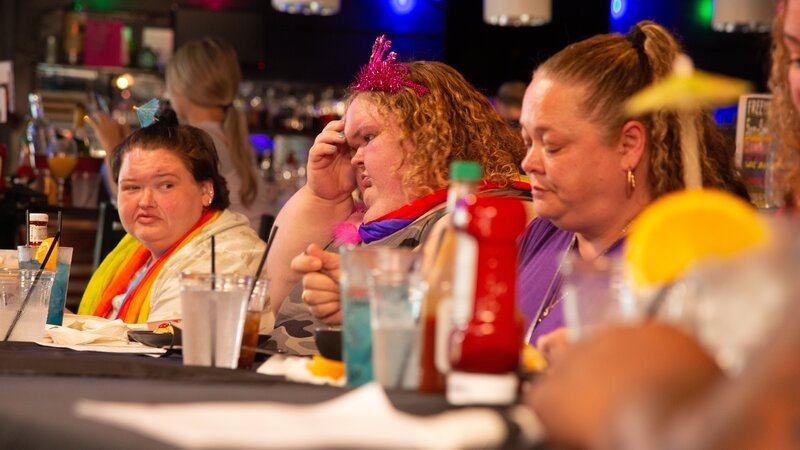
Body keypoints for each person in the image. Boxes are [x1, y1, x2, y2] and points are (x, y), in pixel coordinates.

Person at [265, 35, 531, 354]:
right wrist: (323, 196)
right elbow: (275, 306)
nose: (355, 158)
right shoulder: (370, 219)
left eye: (368, 137)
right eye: (351, 145)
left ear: (429, 135)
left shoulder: (477, 216)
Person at [517, 20, 748, 348]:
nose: (528, 163)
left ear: (628, 145)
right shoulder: (543, 233)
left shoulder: (678, 266)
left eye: (551, 145)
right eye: (527, 141)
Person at [78, 109, 266, 325]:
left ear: (205, 190)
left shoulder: (223, 258)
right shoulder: (137, 249)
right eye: (132, 187)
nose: (145, 201)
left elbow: (161, 342)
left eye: (166, 185)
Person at [88, 38, 271, 232]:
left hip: (224, 256)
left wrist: (112, 147)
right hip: (243, 252)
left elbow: (139, 207)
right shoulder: (228, 136)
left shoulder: (198, 141)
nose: (168, 95)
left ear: (181, 89)